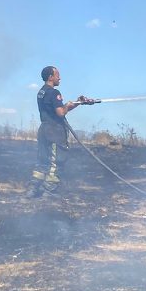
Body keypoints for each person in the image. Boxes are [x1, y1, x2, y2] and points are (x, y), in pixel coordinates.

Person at [29, 66, 89, 196]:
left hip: (43, 129)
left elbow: (54, 109)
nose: (59, 78)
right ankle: (49, 190)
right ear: (50, 77)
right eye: (57, 75)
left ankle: (33, 189)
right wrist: (66, 105)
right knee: (56, 161)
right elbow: (60, 112)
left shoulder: (41, 92)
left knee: (42, 160)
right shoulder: (54, 92)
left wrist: (77, 103)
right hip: (54, 132)